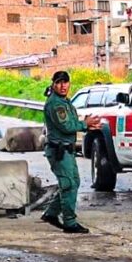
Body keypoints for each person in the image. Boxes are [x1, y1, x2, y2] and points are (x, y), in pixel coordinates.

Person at [40, 71, 100, 234]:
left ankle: (51, 213)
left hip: (66, 149)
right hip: (59, 150)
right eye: (59, 82)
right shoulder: (56, 104)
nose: (63, 86)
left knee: (73, 182)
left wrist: (85, 124)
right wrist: (84, 125)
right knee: (68, 184)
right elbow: (66, 126)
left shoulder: (64, 102)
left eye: (65, 82)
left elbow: (71, 122)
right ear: (53, 84)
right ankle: (69, 222)